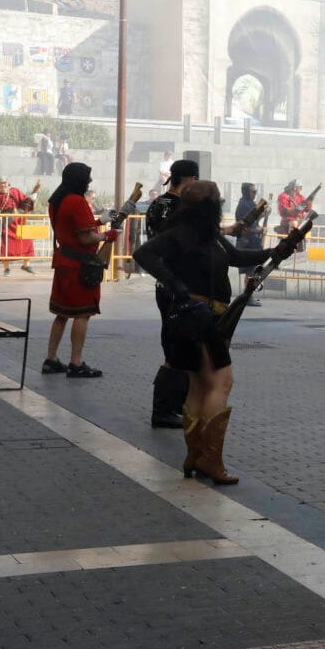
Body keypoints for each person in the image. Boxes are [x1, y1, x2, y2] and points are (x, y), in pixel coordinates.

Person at [134, 181, 274, 485]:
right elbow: (143, 254)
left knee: (199, 386)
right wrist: (177, 285)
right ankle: (210, 460)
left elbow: (236, 258)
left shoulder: (205, 235)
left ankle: (195, 456)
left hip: (198, 318)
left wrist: (276, 250)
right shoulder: (181, 235)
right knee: (221, 383)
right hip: (198, 319)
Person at [43, 163, 118, 378]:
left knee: (62, 313)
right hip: (79, 266)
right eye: (88, 177)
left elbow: (74, 228)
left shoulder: (56, 200)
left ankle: (51, 359)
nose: (90, 181)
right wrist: (106, 235)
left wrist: (99, 221)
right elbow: (86, 237)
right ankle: (76, 362)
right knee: (82, 313)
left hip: (63, 260)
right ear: (80, 180)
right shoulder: (77, 201)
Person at [142, 159, 200, 428]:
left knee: (174, 343)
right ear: (189, 180)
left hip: (164, 283)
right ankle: (164, 408)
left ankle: (172, 406)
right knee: (178, 346)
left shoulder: (157, 204)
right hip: (178, 283)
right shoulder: (180, 208)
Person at [0, 177, 35, 274]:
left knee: (27, 239)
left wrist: (31, 199)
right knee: (4, 244)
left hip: (17, 221)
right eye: (0, 183)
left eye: (4, 183)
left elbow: (24, 203)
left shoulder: (15, 191)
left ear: (7, 182)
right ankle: (6, 268)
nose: (2, 185)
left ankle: (26, 265)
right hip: (4, 223)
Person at [233, 183, 267, 307]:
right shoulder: (243, 205)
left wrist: (263, 213)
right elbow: (243, 226)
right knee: (250, 271)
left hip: (253, 242)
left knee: (252, 270)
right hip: (247, 242)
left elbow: (255, 219)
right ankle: (247, 296)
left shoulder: (250, 204)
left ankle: (249, 295)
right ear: (246, 192)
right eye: (253, 192)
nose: (255, 194)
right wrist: (256, 230)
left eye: (255, 191)